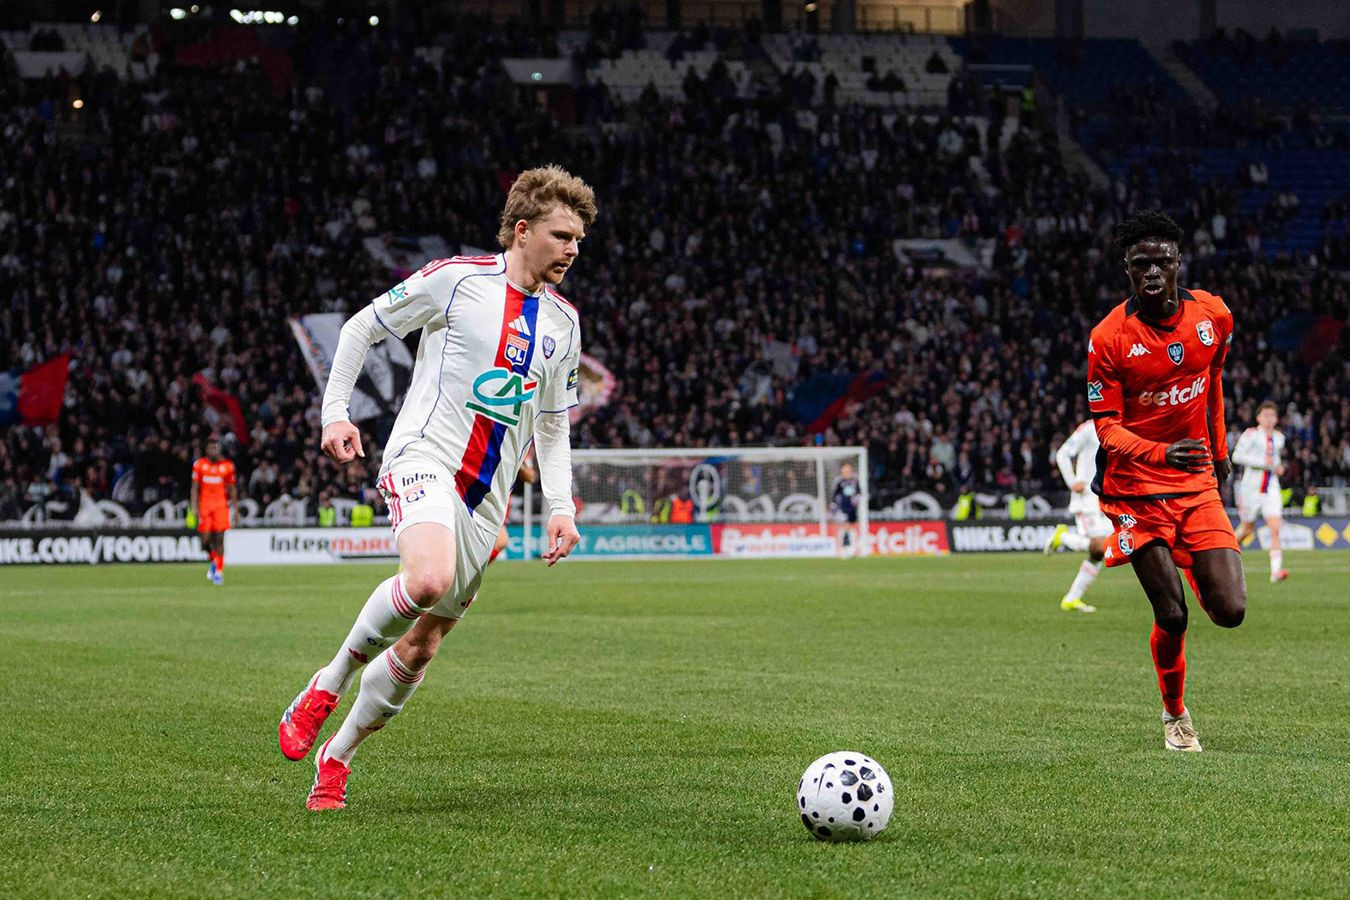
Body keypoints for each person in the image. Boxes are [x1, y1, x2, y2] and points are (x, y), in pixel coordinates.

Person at [276, 166, 596, 810]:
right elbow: (360, 327)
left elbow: (553, 423)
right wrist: (335, 413)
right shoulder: (456, 280)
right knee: (425, 578)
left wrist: (560, 506)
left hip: (486, 499)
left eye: (579, 241)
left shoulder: (564, 323)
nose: (572, 250)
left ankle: (337, 757)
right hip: (424, 457)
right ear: (523, 230)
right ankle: (326, 683)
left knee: (421, 645)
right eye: (562, 236)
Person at [1086, 210, 1246, 753]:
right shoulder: (1108, 337)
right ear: (1127, 270)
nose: (1152, 272)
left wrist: (1218, 451)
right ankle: (1175, 714)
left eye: (1161, 262)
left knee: (1230, 612)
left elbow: (1213, 380)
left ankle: (1191, 563)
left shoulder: (1214, 316)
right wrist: (1160, 452)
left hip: (1195, 480)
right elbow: (1106, 428)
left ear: (1179, 262)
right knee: (1172, 613)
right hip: (1134, 489)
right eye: (1140, 264)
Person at [1043, 420, 1110, 612]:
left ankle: (1072, 598)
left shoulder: (1121, 426)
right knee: (1099, 547)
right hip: (1087, 499)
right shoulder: (1090, 428)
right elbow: (1062, 453)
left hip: (1108, 498)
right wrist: (1072, 482)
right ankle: (1063, 537)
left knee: (1102, 550)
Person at [1231, 401, 1289, 583]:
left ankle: (1276, 572)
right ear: (1258, 418)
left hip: (1271, 487)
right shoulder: (1251, 435)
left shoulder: (1279, 438)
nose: (1269, 419)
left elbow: (1275, 460)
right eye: (1265, 415)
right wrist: (1264, 463)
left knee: (1275, 527)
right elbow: (1236, 456)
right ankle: (1226, 556)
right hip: (1251, 488)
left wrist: (1278, 467)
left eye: (1272, 415)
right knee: (1247, 529)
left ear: (1276, 419)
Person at [190, 437, 237, 585]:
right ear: (206, 450)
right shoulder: (199, 465)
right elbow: (195, 488)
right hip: (205, 507)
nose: (214, 450)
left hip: (221, 507)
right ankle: (214, 561)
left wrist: (235, 509)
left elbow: (232, 489)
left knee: (219, 540)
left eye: (216, 448)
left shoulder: (227, 466)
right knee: (204, 541)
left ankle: (219, 573)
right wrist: (194, 507)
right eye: (211, 448)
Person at [490, 454, 538, 563]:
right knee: (501, 540)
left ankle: (465, 571)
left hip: (500, 501)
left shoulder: (522, 450)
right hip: (481, 494)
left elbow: (530, 476)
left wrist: (518, 463)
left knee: (501, 541)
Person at [831, 461, 861, 556]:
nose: (847, 469)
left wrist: (856, 499)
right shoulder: (839, 481)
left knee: (853, 526)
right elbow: (834, 494)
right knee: (843, 526)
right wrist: (833, 505)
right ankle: (841, 548)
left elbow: (859, 492)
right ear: (842, 469)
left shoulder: (855, 479)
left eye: (848, 467)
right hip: (842, 507)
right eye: (845, 467)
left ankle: (854, 547)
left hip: (852, 507)